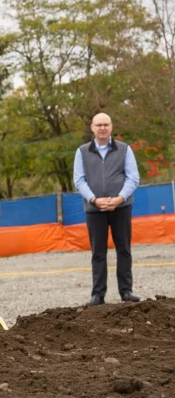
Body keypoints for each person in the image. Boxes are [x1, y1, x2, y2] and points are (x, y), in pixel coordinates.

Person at [73, 113, 141, 305]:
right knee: (98, 252)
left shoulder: (125, 149)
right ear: (92, 128)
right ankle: (98, 294)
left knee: (124, 249)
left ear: (111, 127)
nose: (102, 128)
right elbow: (79, 180)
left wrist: (120, 198)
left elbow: (133, 177)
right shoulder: (82, 152)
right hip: (94, 210)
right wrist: (94, 199)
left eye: (106, 124)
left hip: (121, 207)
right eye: (99, 125)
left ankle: (126, 291)